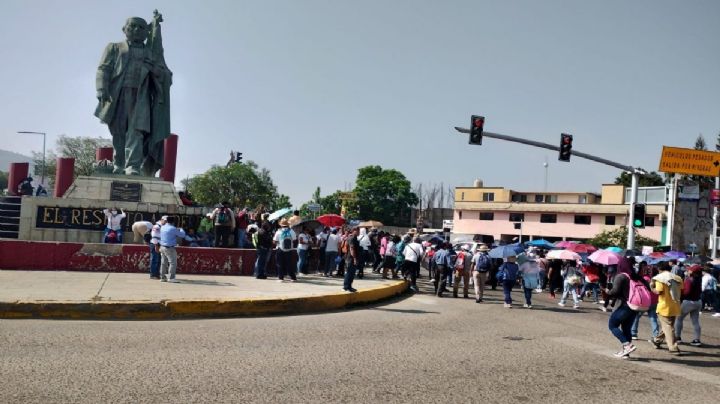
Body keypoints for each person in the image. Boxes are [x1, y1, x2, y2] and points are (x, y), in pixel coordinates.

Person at [95, 14, 172, 176]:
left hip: (141, 95)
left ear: (146, 33)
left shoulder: (150, 53)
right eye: (133, 26)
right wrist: (102, 88)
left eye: (141, 27)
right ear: (124, 29)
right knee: (118, 130)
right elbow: (104, 68)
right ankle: (119, 164)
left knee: (137, 131)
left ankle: (133, 166)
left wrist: (155, 70)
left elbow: (163, 73)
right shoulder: (114, 48)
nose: (137, 30)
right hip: (118, 94)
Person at [605, 257, 647, 358]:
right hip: (635, 306)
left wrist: (608, 292)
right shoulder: (636, 276)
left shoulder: (621, 276)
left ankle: (627, 345)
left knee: (612, 325)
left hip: (624, 305)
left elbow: (615, 291)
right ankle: (626, 353)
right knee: (626, 328)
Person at [649, 262, 683, 354]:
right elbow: (681, 290)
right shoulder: (678, 278)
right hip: (675, 305)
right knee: (668, 326)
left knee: (668, 326)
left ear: (659, 269)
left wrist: (652, 288)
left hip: (664, 306)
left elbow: (659, 291)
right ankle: (657, 340)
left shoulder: (659, 278)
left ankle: (673, 347)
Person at [675, 265, 703, 346]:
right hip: (698, 302)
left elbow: (686, 292)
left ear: (692, 272)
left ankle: (678, 337)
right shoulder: (699, 279)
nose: (688, 271)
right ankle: (697, 339)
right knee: (695, 321)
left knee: (679, 319)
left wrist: (681, 292)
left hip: (688, 302)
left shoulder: (689, 280)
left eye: (689, 270)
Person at [159, 216, 185, 283]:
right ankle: (171, 278)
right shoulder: (173, 228)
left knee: (163, 263)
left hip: (162, 246)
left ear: (167, 221)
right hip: (169, 248)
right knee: (173, 263)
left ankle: (162, 277)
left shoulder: (162, 227)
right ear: (173, 222)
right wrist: (181, 229)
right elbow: (182, 235)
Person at [343, 227, 361, 292]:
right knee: (349, 273)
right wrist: (355, 258)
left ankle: (348, 286)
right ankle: (346, 287)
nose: (359, 232)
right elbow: (352, 249)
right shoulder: (352, 238)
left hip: (351, 258)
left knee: (352, 273)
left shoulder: (354, 238)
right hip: (350, 258)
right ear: (354, 231)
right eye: (358, 231)